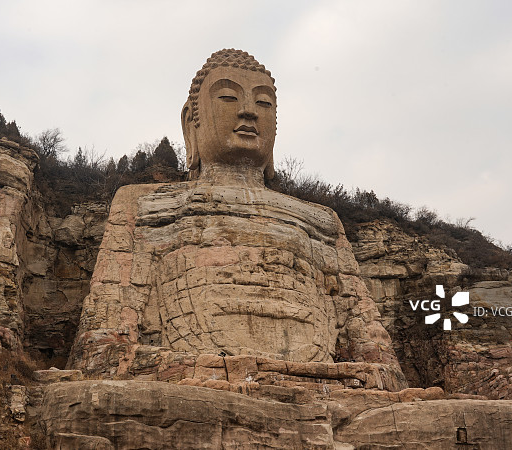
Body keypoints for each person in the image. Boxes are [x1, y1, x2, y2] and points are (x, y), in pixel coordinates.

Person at [68, 49, 401, 378]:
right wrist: (215, 371)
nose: (248, 112)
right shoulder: (143, 205)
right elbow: (100, 354)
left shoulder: (322, 222)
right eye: (228, 97)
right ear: (190, 122)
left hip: (322, 389)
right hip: (193, 390)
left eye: (263, 103)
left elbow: (382, 363)